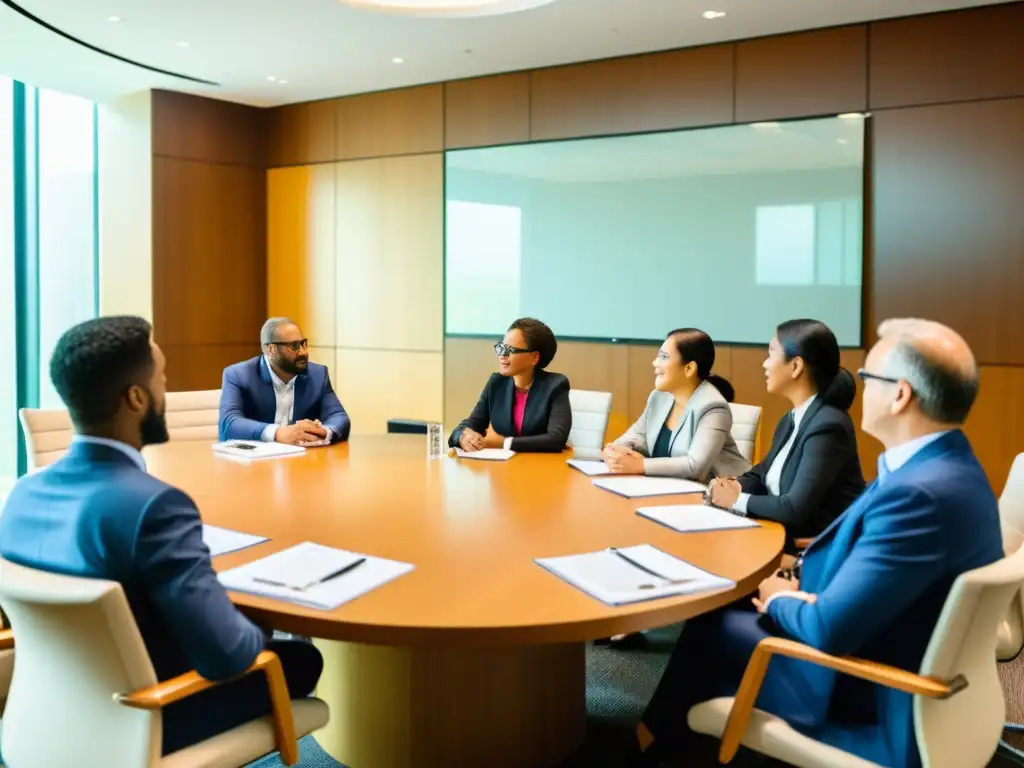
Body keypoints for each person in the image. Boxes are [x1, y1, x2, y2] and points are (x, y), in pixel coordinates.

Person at [638, 318, 1003, 768]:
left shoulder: (918, 493)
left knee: (709, 627)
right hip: (886, 636)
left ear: (901, 394)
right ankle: (665, 736)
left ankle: (656, 744)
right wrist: (797, 570)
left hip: (865, 686)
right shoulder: (944, 466)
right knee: (722, 609)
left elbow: (828, 630)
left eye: (869, 378)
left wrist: (778, 598)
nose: (857, 388)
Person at [0, 316, 323, 755]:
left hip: (46, 710)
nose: (165, 392)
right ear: (136, 398)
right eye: (161, 380)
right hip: (150, 713)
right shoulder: (156, 507)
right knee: (303, 660)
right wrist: (259, 621)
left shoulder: (20, 496)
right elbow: (227, 656)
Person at [707, 319, 865, 549]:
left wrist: (736, 500)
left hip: (811, 551)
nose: (765, 364)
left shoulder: (829, 426)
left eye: (771, 354)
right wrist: (732, 486)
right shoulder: (793, 418)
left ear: (796, 366)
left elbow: (794, 509)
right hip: (775, 535)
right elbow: (762, 475)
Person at [604, 328, 749, 481]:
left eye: (664, 357)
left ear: (689, 368)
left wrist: (640, 465)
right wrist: (615, 452)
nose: (655, 363)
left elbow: (695, 466)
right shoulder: (659, 397)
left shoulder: (714, 408)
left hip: (724, 495)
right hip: (673, 491)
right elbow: (637, 437)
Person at [218, 317, 350, 445]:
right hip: (256, 462)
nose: (303, 352)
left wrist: (324, 431)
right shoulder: (238, 375)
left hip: (303, 461)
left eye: (304, 343)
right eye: (294, 346)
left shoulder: (318, 375)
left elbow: (339, 416)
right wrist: (278, 433)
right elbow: (229, 424)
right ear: (271, 349)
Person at [448, 318, 571, 453]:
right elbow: (469, 424)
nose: (502, 355)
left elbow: (556, 439)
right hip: (504, 468)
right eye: (502, 348)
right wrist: (462, 436)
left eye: (510, 350)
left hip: (540, 467)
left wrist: (504, 443)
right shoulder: (496, 383)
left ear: (534, 357)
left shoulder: (556, 385)